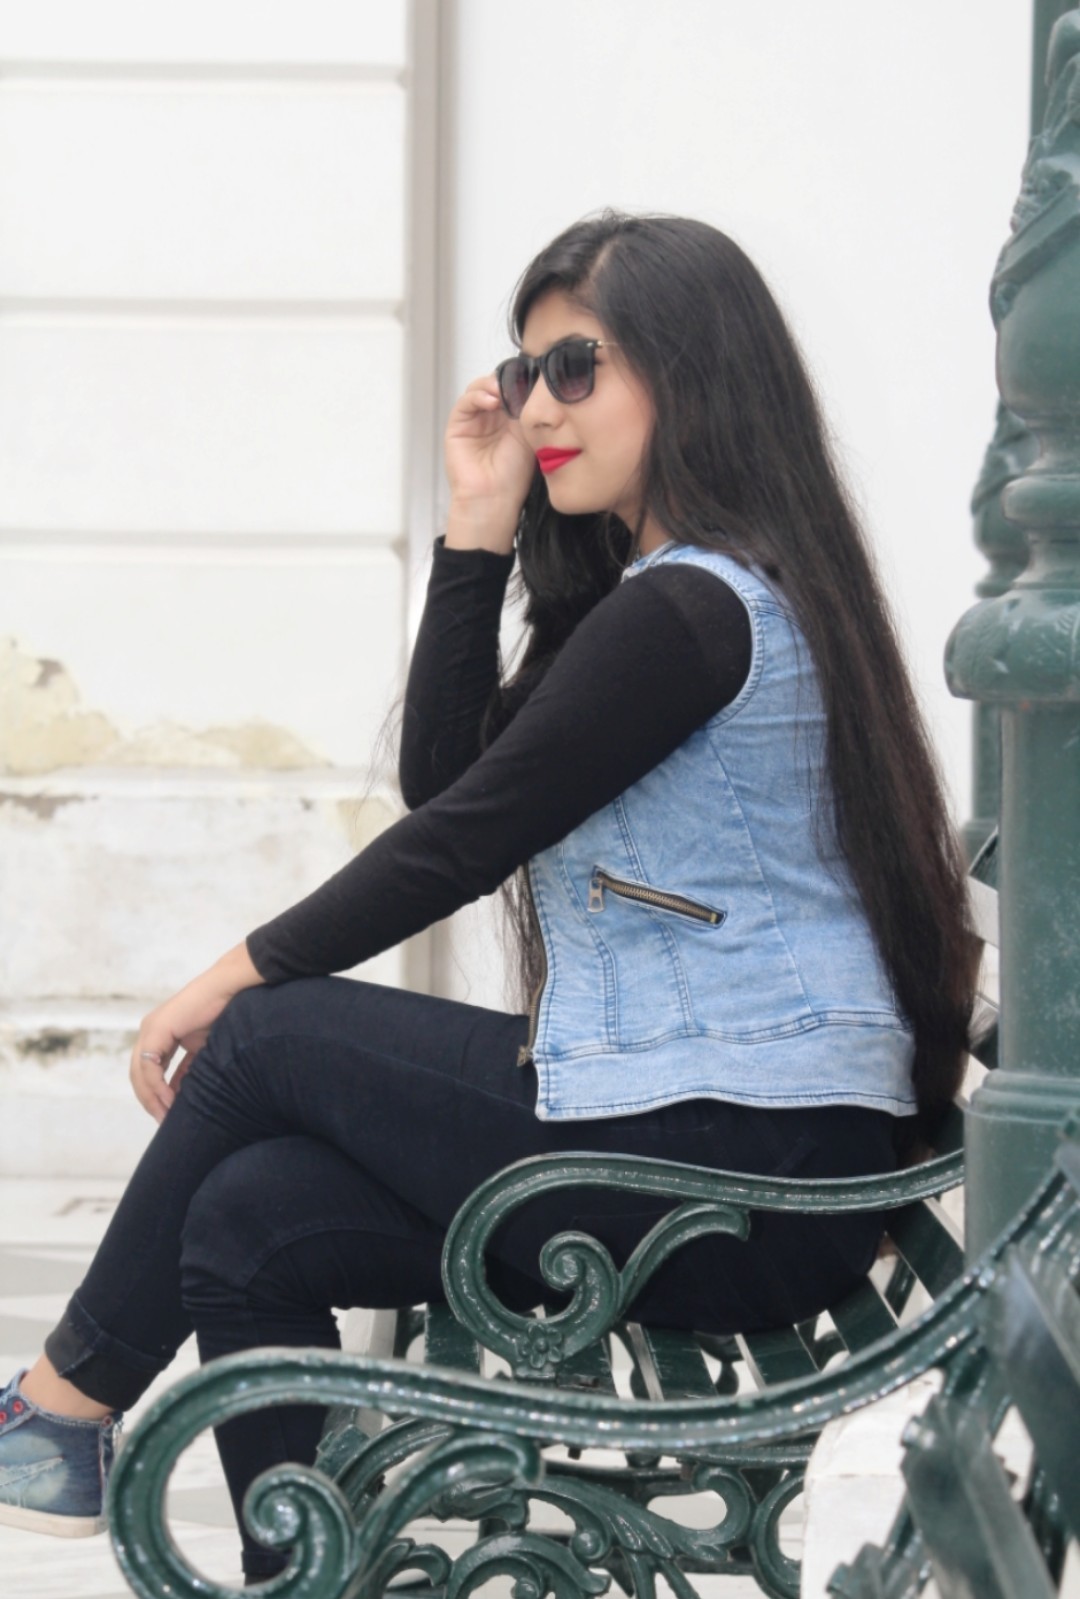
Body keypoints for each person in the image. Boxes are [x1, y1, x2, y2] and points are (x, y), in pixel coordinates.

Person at [0, 211, 976, 1586]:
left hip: (741, 1172)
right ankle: (306, 1576)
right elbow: (451, 781)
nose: (538, 408)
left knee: (270, 1033)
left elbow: (459, 838)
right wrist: (477, 528)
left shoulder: (693, 611)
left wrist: (229, 972)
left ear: (691, 370)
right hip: (721, 1150)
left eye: (576, 367)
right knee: (250, 1218)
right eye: (525, 374)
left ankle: (55, 1411)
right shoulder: (678, 595)